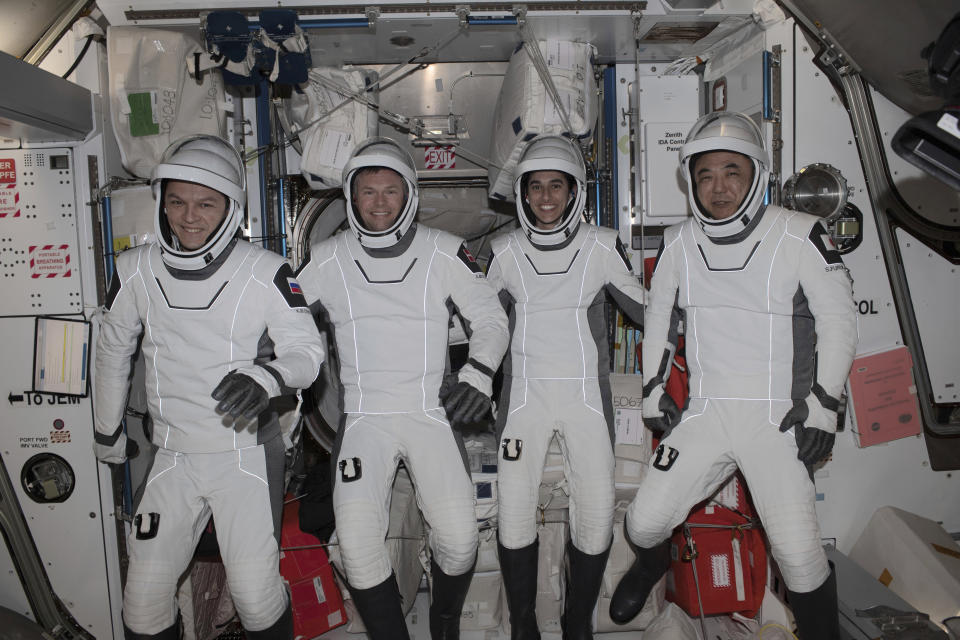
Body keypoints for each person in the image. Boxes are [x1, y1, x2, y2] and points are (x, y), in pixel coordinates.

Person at [609, 112, 857, 640]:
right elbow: (659, 317)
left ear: (757, 175)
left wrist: (824, 407)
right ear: (691, 180)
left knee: (798, 555)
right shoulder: (677, 242)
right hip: (707, 412)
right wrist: (653, 389)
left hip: (777, 420)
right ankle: (651, 564)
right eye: (705, 175)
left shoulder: (800, 234)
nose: (718, 187)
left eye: (731, 172)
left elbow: (839, 320)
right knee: (643, 522)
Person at [93, 135, 325, 640]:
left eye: (205, 204)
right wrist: (106, 430)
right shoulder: (133, 271)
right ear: (161, 203)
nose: (189, 217)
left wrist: (266, 377)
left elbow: (308, 353)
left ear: (230, 209)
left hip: (242, 454)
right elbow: (112, 349)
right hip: (174, 453)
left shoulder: (265, 272)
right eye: (176, 201)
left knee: (255, 596)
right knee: (144, 605)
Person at [295, 137, 509, 640]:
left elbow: (491, 319)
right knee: (356, 542)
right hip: (364, 418)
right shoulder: (327, 258)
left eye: (390, 190)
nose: (379, 202)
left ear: (408, 193)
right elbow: (282, 319)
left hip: (429, 412)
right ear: (350, 196)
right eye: (367, 192)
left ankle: (445, 621)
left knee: (459, 540)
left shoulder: (443, 251)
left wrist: (478, 374)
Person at [485, 136, 646, 640]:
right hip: (522, 400)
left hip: (584, 400)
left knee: (596, 512)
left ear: (575, 191)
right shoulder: (503, 251)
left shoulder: (601, 245)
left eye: (557, 186)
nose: (547, 197)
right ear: (523, 195)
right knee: (512, 513)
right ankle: (524, 623)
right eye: (536, 187)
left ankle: (579, 622)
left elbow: (647, 310)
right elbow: (473, 323)